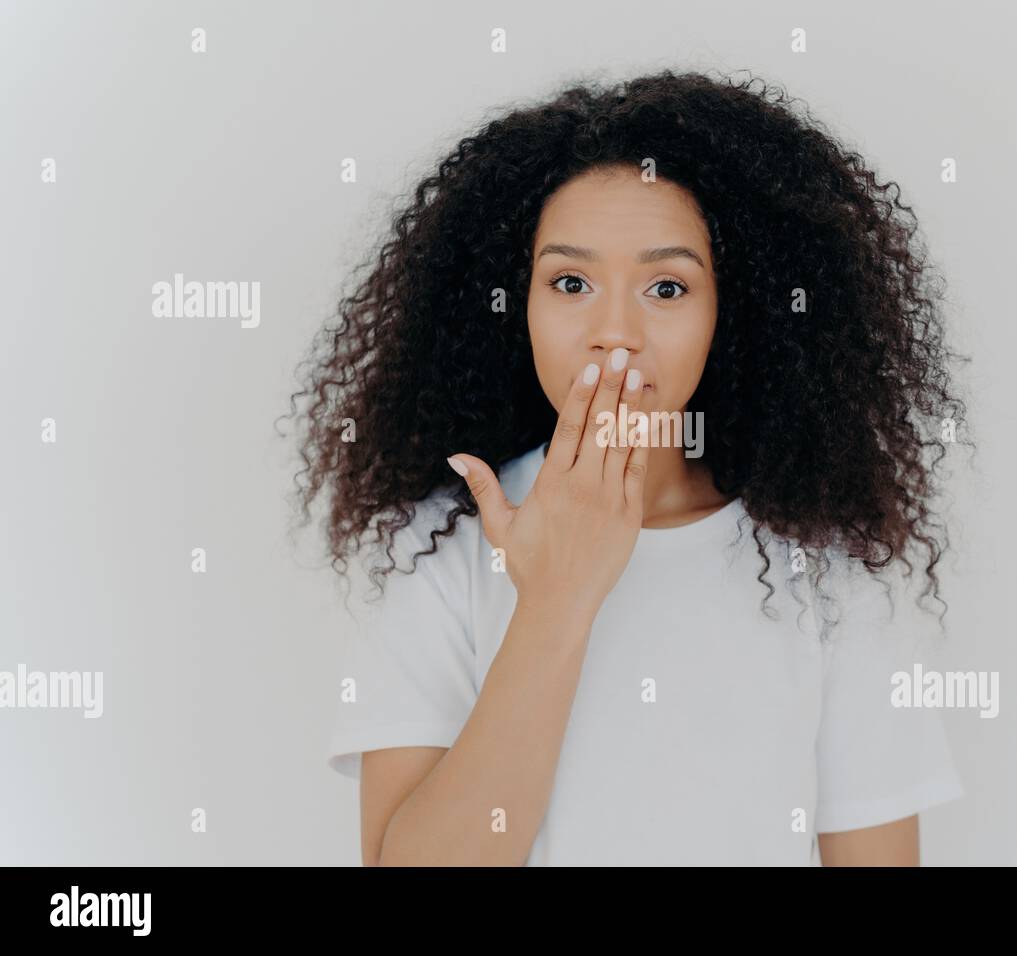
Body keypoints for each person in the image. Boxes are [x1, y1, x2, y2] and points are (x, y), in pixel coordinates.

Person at [284, 68, 973, 865]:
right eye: (570, 282)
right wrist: (558, 599)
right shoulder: (439, 543)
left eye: (667, 286)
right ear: (517, 307)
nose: (616, 332)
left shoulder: (828, 566)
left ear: (732, 315)